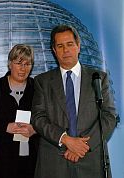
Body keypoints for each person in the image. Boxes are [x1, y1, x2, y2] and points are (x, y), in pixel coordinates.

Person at [31, 24, 117, 178]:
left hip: (91, 162)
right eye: (60, 46)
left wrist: (82, 146)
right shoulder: (42, 81)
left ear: (78, 46)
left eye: (70, 44)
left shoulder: (99, 78)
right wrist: (65, 139)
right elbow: (38, 118)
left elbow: (109, 117)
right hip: (54, 164)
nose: (65, 50)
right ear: (54, 50)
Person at [0, 44, 39, 178]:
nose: (23, 68)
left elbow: (47, 117)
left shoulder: (38, 88)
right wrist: (5, 127)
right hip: (1, 157)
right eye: (19, 63)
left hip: (32, 158)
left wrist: (35, 129)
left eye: (27, 64)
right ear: (10, 64)